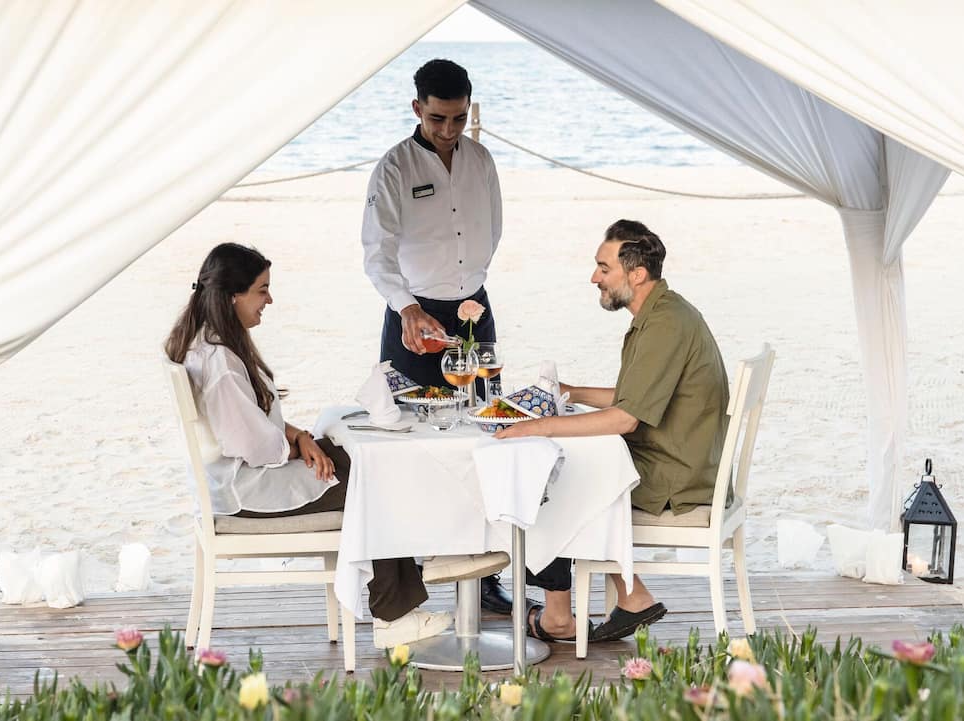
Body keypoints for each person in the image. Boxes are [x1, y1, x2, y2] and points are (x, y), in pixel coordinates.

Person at [165, 242, 451, 649]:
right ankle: (396, 615)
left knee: (361, 460)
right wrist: (300, 447)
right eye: (262, 290)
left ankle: (415, 576)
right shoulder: (221, 365)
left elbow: (250, 422)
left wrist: (300, 437)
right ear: (232, 297)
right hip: (247, 492)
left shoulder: (205, 343)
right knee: (374, 480)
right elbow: (256, 447)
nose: (269, 300)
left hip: (232, 481)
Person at [496, 220, 730, 643]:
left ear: (636, 274)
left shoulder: (664, 325)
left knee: (551, 483)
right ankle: (630, 594)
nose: (594, 277)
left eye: (604, 268)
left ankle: (559, 617)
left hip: (677, 476)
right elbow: (633, 397)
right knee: (568, 468)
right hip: (679, 457)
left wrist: (539, 425)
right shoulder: (664, 313)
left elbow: (626, 419)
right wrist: (570, 392)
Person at [361, 58, 514, 616]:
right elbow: (376, 253)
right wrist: (408, 307)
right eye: (437, 118)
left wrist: (468, 287)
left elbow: (493, 228)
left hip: (474, 311)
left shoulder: (481, 159)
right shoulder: (394, 167)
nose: (449, 130)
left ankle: (484, 576)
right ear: (417, 109)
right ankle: (406, 588)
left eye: (458, 118)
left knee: (485, 435)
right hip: (412, 315)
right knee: (407, 443)